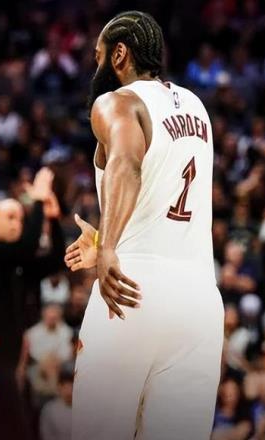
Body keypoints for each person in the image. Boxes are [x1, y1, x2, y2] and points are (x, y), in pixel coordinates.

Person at [64, 11, 224, 440]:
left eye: (98, 56)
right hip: (199, 304)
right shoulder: (197, 107)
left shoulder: (117, 102)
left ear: (120, 55)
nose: (95, 68)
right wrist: (106, 238)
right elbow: (163, 200)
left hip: (131, 291)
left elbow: (127, 163)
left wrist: (108, 246)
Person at [0, 168, 66, 440]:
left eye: (20, 219)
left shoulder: (19, 262)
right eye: (10, 217)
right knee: (16, 429)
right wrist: (37, 199)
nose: (17, 223)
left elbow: (55, 259)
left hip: (11, 361)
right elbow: (26, 247)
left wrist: (53, 219)